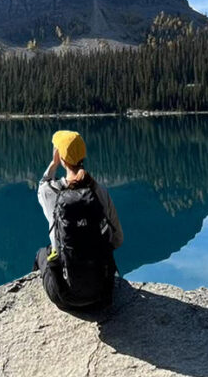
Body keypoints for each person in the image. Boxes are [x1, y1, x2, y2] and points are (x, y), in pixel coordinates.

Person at [33, 131, 123, 311]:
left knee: (42, 254)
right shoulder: (98, 192)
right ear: (83, 155)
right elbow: (117, 240)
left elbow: (43, 182)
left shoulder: (50, 192)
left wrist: (53, 163)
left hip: (66, 296)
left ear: (61, 158)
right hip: (103, 292)